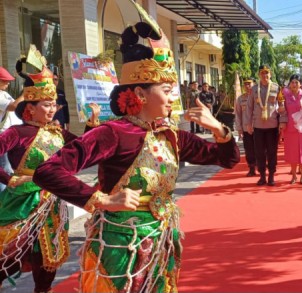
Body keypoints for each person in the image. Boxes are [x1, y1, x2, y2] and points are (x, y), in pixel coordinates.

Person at [33, 21, 239, 293]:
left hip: (160, 239)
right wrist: (101, 199)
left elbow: (227, 159)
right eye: (166, 91)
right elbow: (46, 171)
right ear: (140, 93)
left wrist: (219, 129)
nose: (172, 99)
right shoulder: (113, 133)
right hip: (118, 247)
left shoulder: (171, 135)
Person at [0, 53, 100, 293]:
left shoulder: (57, 134)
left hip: (52, 203)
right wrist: (10, 178)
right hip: (22, 202)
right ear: (29, 109)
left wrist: (92, 124)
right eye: (46, 105)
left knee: (47, 253)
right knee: (13, 252)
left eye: (54, 105)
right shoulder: (16, 133)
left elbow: (84, 150)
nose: (52, 110)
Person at [245, 64, 280, 186]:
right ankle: (262, 176)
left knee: (272, 151)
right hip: (258, 126)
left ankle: (271, 176)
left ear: (270, 74)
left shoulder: (276, 88)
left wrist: (283, 123)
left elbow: (281, 106)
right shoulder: (254, 89)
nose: (264, 75)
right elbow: (249, 108)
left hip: (272, 126)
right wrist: (248, 123)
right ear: (259, 75)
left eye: (267, 73)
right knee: (259, 152)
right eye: (262, 73)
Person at [279, 75, 302, 185]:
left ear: (300, 84)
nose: (294, 84)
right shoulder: (285, 96)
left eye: (296, 82)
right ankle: (293, 176)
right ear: (289, 84)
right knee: (292, 153)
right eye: (292, 82)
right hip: (290, 128)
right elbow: (283, 112)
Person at [0, 66, 23, 192]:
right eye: (4, 80)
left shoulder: (4, 94)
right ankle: (3, 200)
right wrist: (25, 93)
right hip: (3, 137)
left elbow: (19, 107)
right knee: (5, 169)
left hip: (11, 135)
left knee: (10, 168)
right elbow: (14, 106)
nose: (8, 83)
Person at [235, 78, 256, 177]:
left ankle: (261, 166)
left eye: (249, 84)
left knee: (260, 148)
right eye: (245, 84)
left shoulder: (259, 97)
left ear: (254, 84)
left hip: (258, 127)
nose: (247, 86)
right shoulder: (240, 99)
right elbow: (238, 114)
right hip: (246, 128)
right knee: (249, 149)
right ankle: (251, 167)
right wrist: (239, 129)